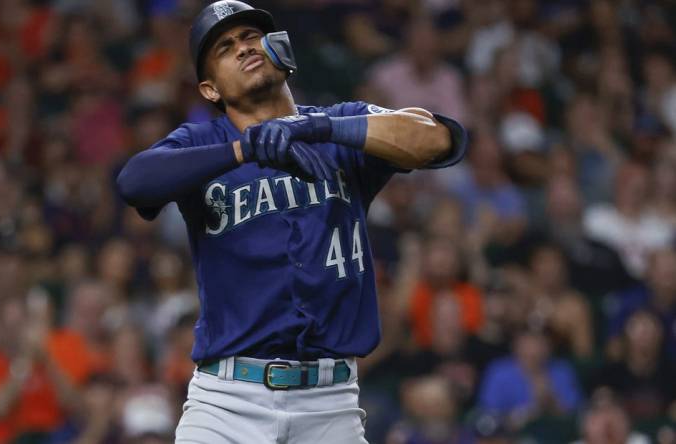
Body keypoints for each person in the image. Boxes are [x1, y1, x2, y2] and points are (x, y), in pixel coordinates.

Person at [116, 2, 467, 442]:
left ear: (280, 49)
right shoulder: (201, 142)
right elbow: (134, 182)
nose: (244, 48)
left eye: (251, 37)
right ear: (209, 90)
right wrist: (247, 150)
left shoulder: (337, 125)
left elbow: (439, 138)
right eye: (226, 47)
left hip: (331, 403)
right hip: (227, 401)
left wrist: (315, 128)